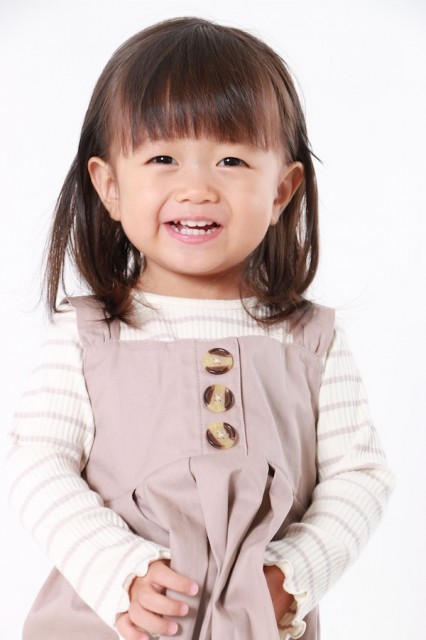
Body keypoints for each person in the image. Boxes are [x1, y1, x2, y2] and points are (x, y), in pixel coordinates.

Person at [6, 16, 394, 640]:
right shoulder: (88, 335)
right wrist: (119, 572)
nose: (197, 188)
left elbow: (360, 477)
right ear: (109, 185)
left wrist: (294, 574)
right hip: (111, 624)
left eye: (232, 159)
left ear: (282, 191)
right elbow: (36, 463)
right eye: (163, 158)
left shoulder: (309, 340)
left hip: (258, 623)